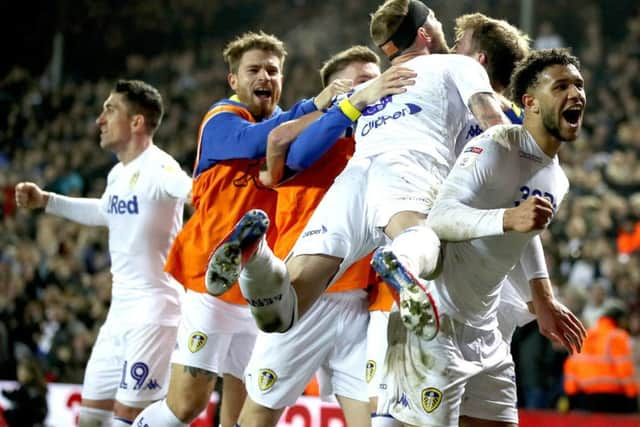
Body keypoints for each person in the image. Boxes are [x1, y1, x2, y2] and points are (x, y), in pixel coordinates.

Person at [132, 32, 410, 427]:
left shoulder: (301, 125)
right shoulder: (222, 119)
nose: (265, 76)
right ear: (234, 80)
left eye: (273, 70)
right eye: (254, 70)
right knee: (186, 405)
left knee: (237, 413)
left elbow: (285, 140)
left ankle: (253, 254)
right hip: (209, 281)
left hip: (260, 294)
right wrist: (322, 107)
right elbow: (261, 140)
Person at [206, 0, 513, 344]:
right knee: (425, 244)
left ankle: (256, 255)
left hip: (352, 181)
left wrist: (354, 101)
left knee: (280, 314)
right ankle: (399, 260)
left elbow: (300, 149)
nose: (446, 29)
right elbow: (493, 125)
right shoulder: (456, 64)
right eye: (438, 20)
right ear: (425, 33)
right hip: (409, 166)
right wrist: (511, 179)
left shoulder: (371, 89)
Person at [376, 48, 588, 426]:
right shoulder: (497, 145)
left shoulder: (557, 176)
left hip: (485, 329)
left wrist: (543, 299)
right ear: (530, 103)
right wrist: (508, 217)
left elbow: (526, 233)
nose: (575, 94)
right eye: (561, 86)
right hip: (434, 318)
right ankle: (402, 266)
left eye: (579, 85)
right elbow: (441, 218)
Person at [233, 45, 397, 427]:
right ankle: (252, 261)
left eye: (378, 80)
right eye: (364, 82)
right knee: (257, 416)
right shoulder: (314, 136)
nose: (377, 89)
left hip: (359, 306)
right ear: (340, 88)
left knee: (374, 420)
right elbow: (276, 144)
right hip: (304, 300)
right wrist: (341, 106)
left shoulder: (382, 142)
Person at [14, 80, 192, 426]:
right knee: (90, 419)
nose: (99, 119)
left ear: (137, 122)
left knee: (128, 418)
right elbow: (104, 211)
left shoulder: (160, 167)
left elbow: (187, 189)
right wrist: (47, 201)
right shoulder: (117, 174)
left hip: (154, 311)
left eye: (110, 109)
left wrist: (199, 193)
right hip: (119, 315)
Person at [564, 299, 639, 413]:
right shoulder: (617, 336)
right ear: (621, 320)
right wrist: (632, 397)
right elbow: (625, 369)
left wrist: (571, 398)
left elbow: (571, 368)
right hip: (615, 400)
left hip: (586, 399)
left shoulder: (585, 336)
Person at [1, 357, 48, 427]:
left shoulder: (31, 390)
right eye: (19, 370)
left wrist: (7, 414)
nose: (19, 373)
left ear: (31, 373)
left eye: (22, 371)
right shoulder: (28, 388)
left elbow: (25, 412)